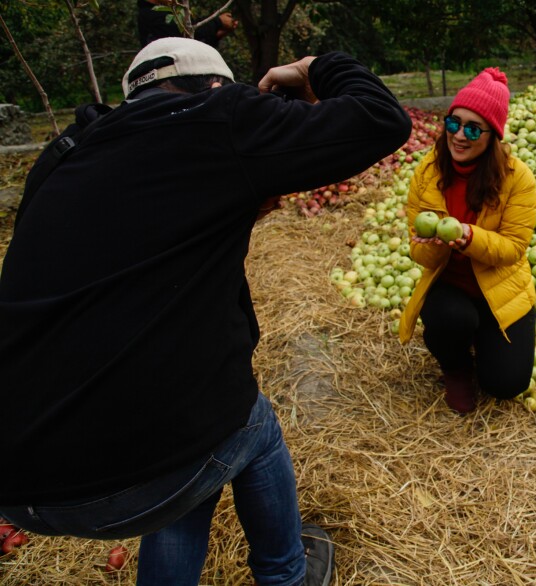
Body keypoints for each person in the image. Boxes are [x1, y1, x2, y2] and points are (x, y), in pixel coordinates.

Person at [0, 37, 411, 586]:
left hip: (20, 479)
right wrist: (315, 67)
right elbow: (381, 118)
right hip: (133, 474)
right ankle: (287, 574)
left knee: (191, 444)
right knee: (245, 428)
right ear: (217, 86)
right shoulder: (217, 116)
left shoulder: (66, 152)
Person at [398, 68, 536, 414]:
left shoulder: (517, 178)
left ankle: (485, 339)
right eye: (453, 123)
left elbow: (512, 250)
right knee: (449, 319)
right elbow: (418, 252)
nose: (459, 135)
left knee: (506, 385)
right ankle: (456, 367)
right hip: (452, 287)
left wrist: (468, 235)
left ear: (493, 136)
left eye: (473, 128)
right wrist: (431, 245)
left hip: (499, 286)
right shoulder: (428, 172)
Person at [137, 0, 238, 48]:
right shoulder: (148, 14)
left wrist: (216, 35)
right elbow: (188, 30)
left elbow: (190, 40)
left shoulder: (170, 12)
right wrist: (218, 22)